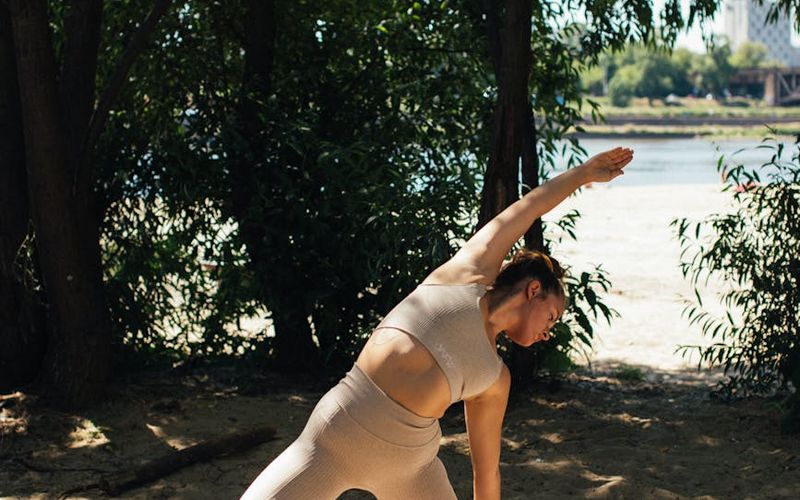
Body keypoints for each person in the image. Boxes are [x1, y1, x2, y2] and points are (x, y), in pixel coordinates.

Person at [241, 147, 634, 500]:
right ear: (534, 290)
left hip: (411, 471)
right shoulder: (464, 275)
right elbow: (528, 208)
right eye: (551, 316)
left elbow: (485, 471)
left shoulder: (496, 379)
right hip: (334, 440)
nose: (548, 332)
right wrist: (583, 174)